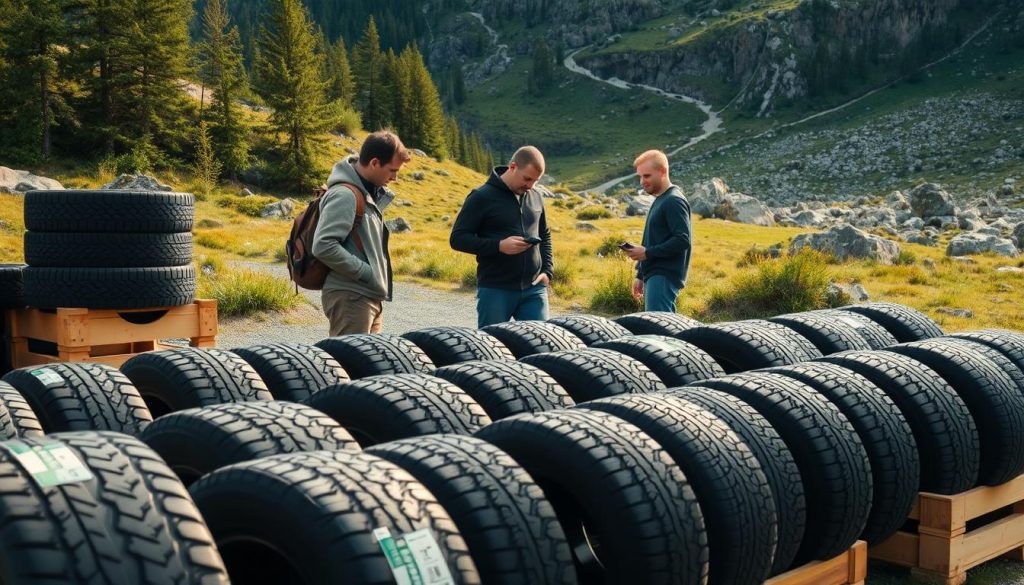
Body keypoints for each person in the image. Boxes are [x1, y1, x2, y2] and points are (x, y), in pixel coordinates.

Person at [312, 130, 410, 335]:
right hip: (351, 297)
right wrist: (366, 273)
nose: (395, 177)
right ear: (374, 163)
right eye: (392, 170)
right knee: (350, 364)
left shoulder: (368, 193)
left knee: (370, 365)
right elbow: (323, 245)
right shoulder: (345, 195)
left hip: (366, 297)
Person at [450, 145, 553, 327]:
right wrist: (498, 246)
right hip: (496, 289)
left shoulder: (535, 196)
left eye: (535, 181)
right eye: (527, 179)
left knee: (542, 348)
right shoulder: (481, 197)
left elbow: (544, 234)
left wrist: (547, 272)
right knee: (492, 350)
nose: (530, 186)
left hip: (534, 290)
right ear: (513, 167)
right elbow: (458, 239)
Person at [625, 149, 692, 312]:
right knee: (664, 328)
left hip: (663, 276)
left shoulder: (673, 201)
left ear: (662, 172)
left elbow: (683, 240)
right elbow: (653, 239)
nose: (642, 181)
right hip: (654, 275)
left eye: (646, 176)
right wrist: (640, 275)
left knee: (659, 332)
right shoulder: (661, 199)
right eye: (640, 176)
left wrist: (647, 252)